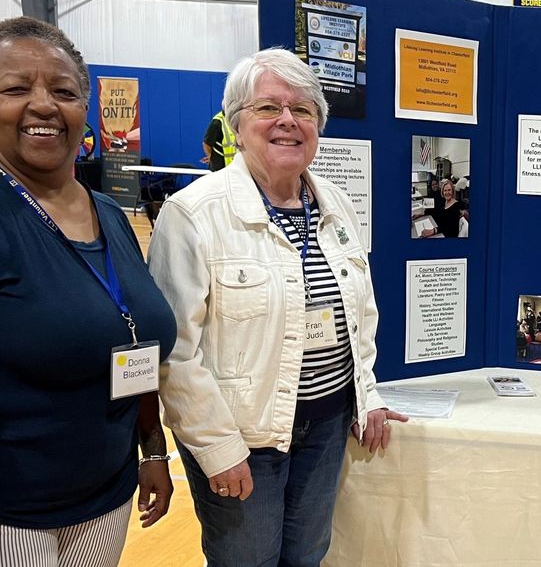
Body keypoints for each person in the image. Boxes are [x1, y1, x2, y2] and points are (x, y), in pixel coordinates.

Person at [148, 48, 409, 566]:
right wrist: (218, 449)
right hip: (244, 439)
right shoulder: (194, 214)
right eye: (268, 108)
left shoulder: (336, 203)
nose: (288, 121)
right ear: (236, 125)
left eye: (304, 110)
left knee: (307, 557)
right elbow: (175, 352)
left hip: (327, 426)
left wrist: (368, 395)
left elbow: (360, 315)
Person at [0, 17, 176, 566]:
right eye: (17, 88)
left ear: (84, 109)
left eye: (63, 91)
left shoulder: (109, 213)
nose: (43, 105)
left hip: (105, 496)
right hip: (6, 512)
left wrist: (152, 448)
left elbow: (134, 337)